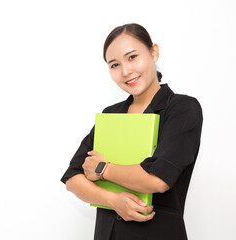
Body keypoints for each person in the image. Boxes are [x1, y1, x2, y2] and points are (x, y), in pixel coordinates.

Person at [60, 23, 203, 240]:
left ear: (153, 52)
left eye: (132, 57)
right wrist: (113, 201)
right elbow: (73, 178)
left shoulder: (182, 109)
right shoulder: (111, 115)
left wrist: (102, 168)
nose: (126, 71)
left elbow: (158, 179)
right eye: (114, 64)